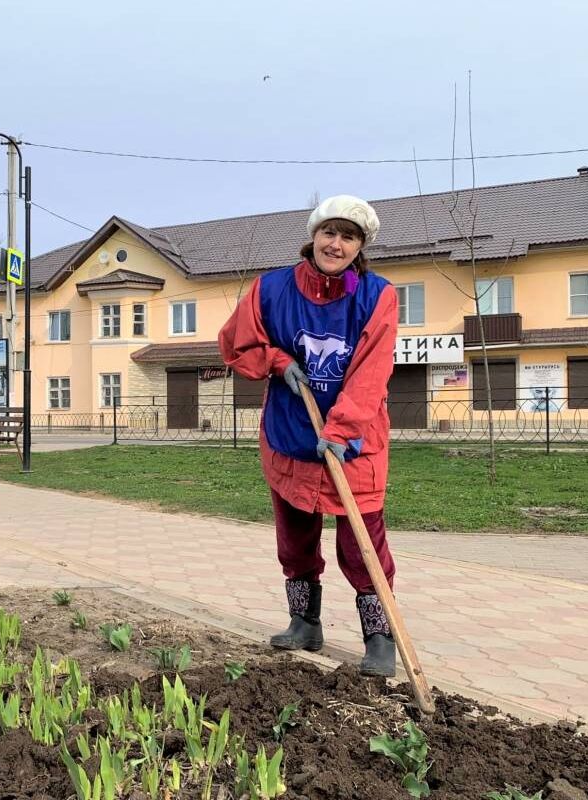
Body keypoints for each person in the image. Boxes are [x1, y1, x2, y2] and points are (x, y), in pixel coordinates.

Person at [218, 195, 400, 677]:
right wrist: (278, 362)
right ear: (313, 235)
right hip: (292, 433)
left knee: (362, 544)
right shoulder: (271, 289)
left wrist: (342, 430)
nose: (336, 244)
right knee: (295, 538)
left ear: (360, 246)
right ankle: (305, 623)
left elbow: (371, 372)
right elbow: (236, 341)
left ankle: (380, 638)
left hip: (354, 441)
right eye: (329, 232)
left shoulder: (377, 296)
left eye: (348, 236)